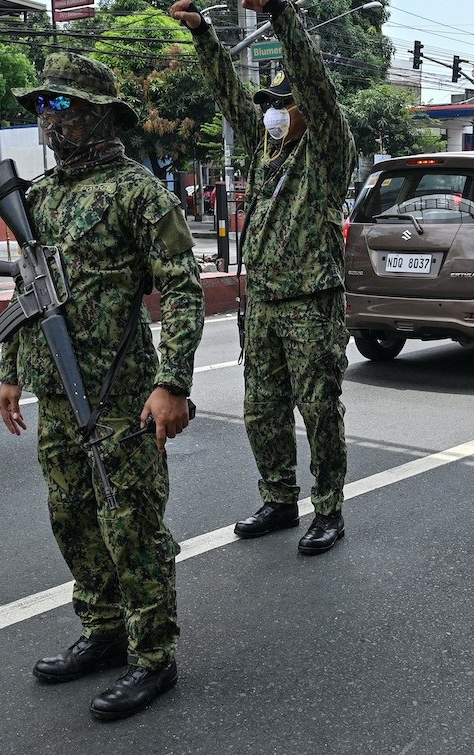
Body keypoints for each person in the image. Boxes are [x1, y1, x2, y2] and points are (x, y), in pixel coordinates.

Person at [0, 53, 205, 721]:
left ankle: (153, 656)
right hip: (56, 394)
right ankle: (105, 631)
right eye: (42, 108)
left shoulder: (138, 193)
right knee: (74, 520)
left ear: (97, 114)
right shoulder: (37, 197)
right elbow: (27, 292)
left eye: (61, 106)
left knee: (131, 526)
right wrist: (9, 370)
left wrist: (172, 382)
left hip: (119, 396)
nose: (48, 119)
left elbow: (183, 288)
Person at [171, 0, 356, 556]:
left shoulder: (325, 150)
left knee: (320, 410)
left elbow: (316, 84)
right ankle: (279, 498)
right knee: (261, 409)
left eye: (283, 102)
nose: (273, 111)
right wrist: (204, 36)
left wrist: (279, 12)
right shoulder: (263, 152)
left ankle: (329, 510)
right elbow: (229, 93)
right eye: (269, 103)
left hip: (312, 304)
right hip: (266, 305)